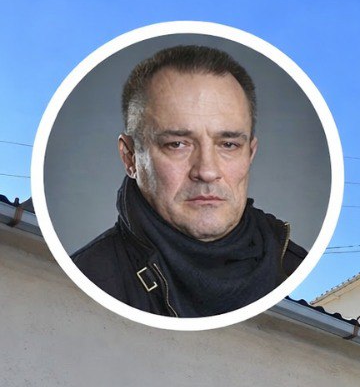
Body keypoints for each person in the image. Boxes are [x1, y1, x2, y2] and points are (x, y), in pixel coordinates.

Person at [72, 45, 307, 317]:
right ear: (130, 157)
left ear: (250, 154)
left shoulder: (294, 266)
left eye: (228, 144)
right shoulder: (85, 284)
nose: (206, 171)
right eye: (177, 144)